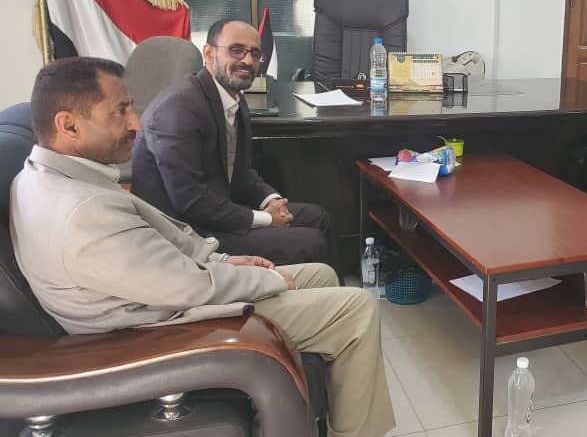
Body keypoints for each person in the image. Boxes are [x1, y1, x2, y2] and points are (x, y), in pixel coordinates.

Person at [10, 57, 395, 437]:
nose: (135, 123)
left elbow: (154, 258)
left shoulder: (44, 174)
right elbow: (186, 286)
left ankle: (318, 400)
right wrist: (269, 280)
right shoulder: (84, 211)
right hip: (153, 331)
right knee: (357, 309)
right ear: (69, 125)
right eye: (120, 110)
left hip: (156, 298)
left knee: (322, 273)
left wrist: (226, 259)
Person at [131, 19, 330, 265]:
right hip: (186, 233)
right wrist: (267, 219)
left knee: (318, 217)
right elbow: (190, 202)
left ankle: (341, 289)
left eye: (255, 53)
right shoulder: (179, 107)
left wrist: (272, 200)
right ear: (208, 53)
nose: (247, 60)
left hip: (216, 210)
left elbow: (241, 173)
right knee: (311, 241)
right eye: (236, 50)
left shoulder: (233, 99)